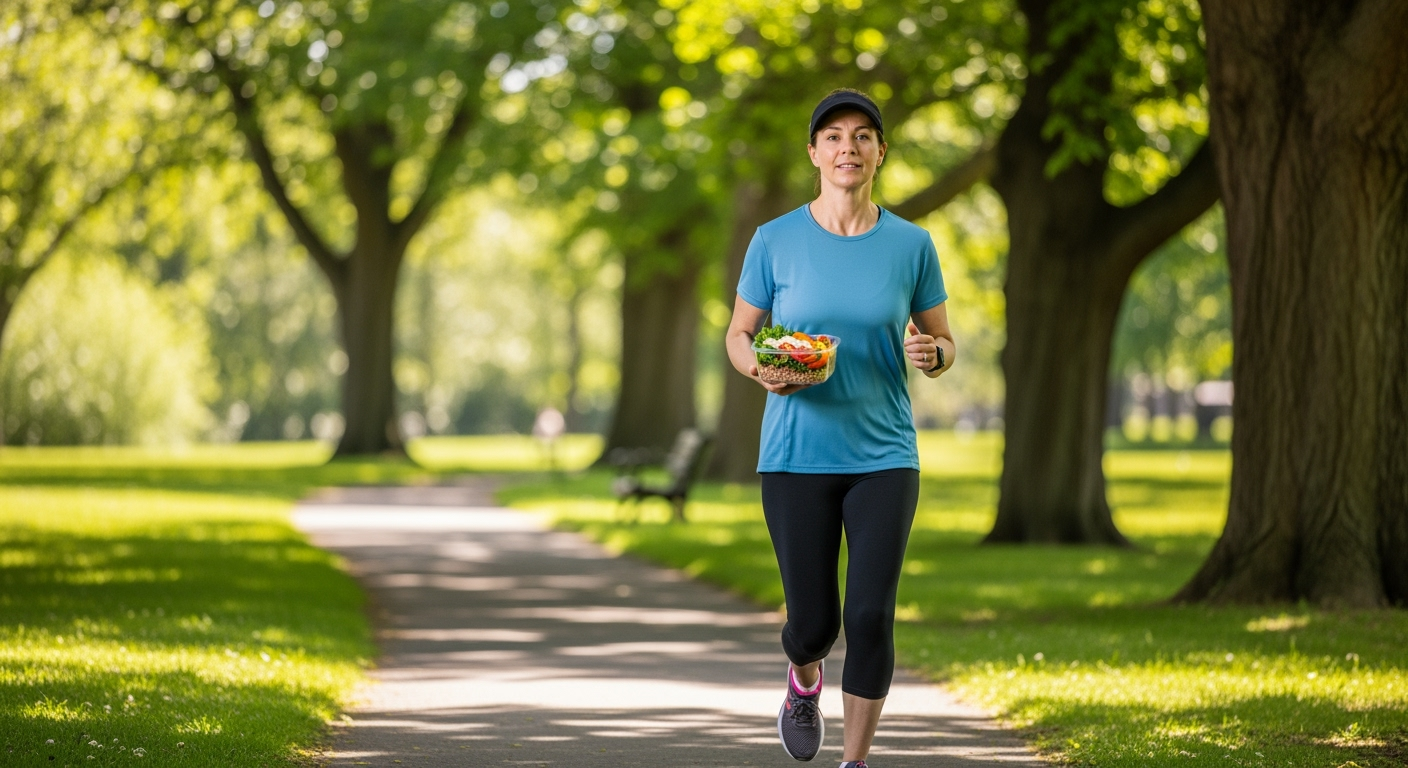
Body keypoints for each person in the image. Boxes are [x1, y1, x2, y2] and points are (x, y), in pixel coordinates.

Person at [724, 88, 955, 768]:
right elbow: (739, 333)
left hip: (885, 454)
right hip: (796, 454)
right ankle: (803, 680)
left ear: (880, 153)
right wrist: (761, 369)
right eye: (833, 137)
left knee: (870, 617)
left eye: (861, 136)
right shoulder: (774, 240)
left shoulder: (912, 244)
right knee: (814, 625)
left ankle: (855, 762)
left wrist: (933, 355)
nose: (847, 148)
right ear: (814, 153)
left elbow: (943, 341)